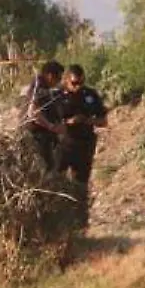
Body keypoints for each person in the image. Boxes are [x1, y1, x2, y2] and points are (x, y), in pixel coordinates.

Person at [57, 63, 108, 198]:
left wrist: (85, 120)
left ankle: (78, 211)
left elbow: (103, 121)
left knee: (80, 185)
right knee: (57, 180)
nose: (78, 86)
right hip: (63, 144)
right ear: (66, 80)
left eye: (81, 82)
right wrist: (69, 122)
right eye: (74, 83)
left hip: (85, 145)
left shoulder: (90, 94)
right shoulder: (57, 96)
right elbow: (49, 121)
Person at [20, 60, 66, 172]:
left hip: (45, 135)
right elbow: (33, 113)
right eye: (58, 78)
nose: (58, 82)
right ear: (50, 76)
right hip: (36, 136)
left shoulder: (45, 88)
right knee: (46, 168)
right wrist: (52, 127)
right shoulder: (38, 88)